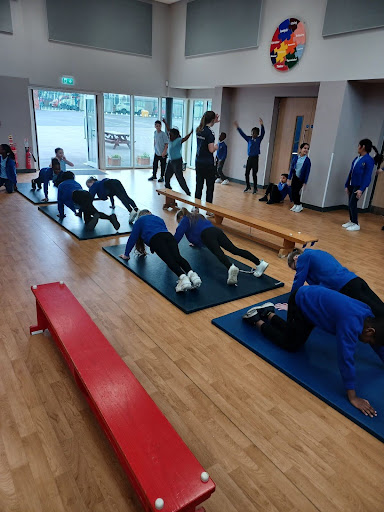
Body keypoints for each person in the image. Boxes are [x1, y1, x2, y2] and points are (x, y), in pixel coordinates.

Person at [242, 285, 384, 416]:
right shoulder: (350, 324)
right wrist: (353, 397)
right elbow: (345, 358)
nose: (368, 343)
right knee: (290, 344)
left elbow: (377, 343)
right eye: (370, 340)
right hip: (301, 302)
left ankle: (268, 313)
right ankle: (255, 320)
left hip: (314, 304)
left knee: (294, 336)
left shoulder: (367, 316)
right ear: (370, 331)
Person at [174, 208, 269, 285]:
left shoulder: (185, 219)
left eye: (179, 221)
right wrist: (196, 244)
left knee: (218, 252)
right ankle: (259, 263)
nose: (180, 223)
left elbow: (179, 234)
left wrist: (170, 246)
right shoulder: (197, 216)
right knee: (234, 249)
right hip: (216, 231)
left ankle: (230, 267)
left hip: (206, 235)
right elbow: (196, 234)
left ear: (181, 217)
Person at [119, 209, 201, 293]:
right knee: (178, 257)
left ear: (140, 216)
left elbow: (133, 238)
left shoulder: (139, 220)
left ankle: (183, 279)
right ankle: (193, 275)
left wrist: (126, 254)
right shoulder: (158, 218)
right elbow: (161, 230)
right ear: (150, 213)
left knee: (169, 260)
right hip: (169, 236)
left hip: (156, 240)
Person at [288, 248, 384, 317]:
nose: (298, 270)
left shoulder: (304, 257)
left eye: (296, 267)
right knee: (378, 305)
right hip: (355, 279)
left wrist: (291, 301)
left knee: (376, 311)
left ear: (296, 258)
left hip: (345, 286)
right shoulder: (317, 253)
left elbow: (298, 281)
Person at [343, 138, 375, 231]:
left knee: (353, 203)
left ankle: (356, 223)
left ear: (363, 147)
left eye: (358, 146)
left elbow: (367, 176)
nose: (357, 148)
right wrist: (346, 185)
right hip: (351, 184)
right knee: (350, 203)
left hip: (359, 185)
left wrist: (361, 189)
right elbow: (351, 172)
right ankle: (351, 221)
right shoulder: (357, 158)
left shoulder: (369, 160)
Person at [195, 111, 220, 214]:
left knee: (199, 185)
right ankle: (208, 210)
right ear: (212, 120)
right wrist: (216, 147)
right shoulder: (210, 133)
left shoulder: (199, 129)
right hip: (208, 163)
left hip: (199, 161)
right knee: (210, 186)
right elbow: (210, 149)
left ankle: (195, 208)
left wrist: (214, 121)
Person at [161, 118, 192, 195]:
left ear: (175, 135)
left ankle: (188, 193)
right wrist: (165, 122)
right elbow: (168, 129)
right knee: (167, 176)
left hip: (177, 162)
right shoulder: (170, 139)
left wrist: (190, 133)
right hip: (171, 161)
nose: (169, 136)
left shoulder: (178, 140)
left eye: (170, 135)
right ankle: (168, 190)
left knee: (179, 178)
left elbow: (185, 139)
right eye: (169, 135)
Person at [234, 119, 265, 194]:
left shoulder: (259, 139)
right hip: (250, 158)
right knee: (246, 173)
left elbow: (263, 133)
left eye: (254, 133)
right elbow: (242, 134)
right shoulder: (248, 139)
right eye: (252, 132)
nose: (253, 134)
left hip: (255, 158)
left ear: (257, 134)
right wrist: (238, 127)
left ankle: (255, 188)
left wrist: (262, 125)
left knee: (254, 174)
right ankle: (248, 186)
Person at [288, 143, 311, 213]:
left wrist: (305, 182)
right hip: (295, 177)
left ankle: (299, 205)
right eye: (305, 148)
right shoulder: (296, 158)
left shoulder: (307, 160)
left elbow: (307, 172)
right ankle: (295, 204)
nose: (306, 150)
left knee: (296, 192)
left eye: (307, 149)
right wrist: (289, 178)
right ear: (301, 149)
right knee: (292, 191)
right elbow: (292, 168)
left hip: (301, 179)